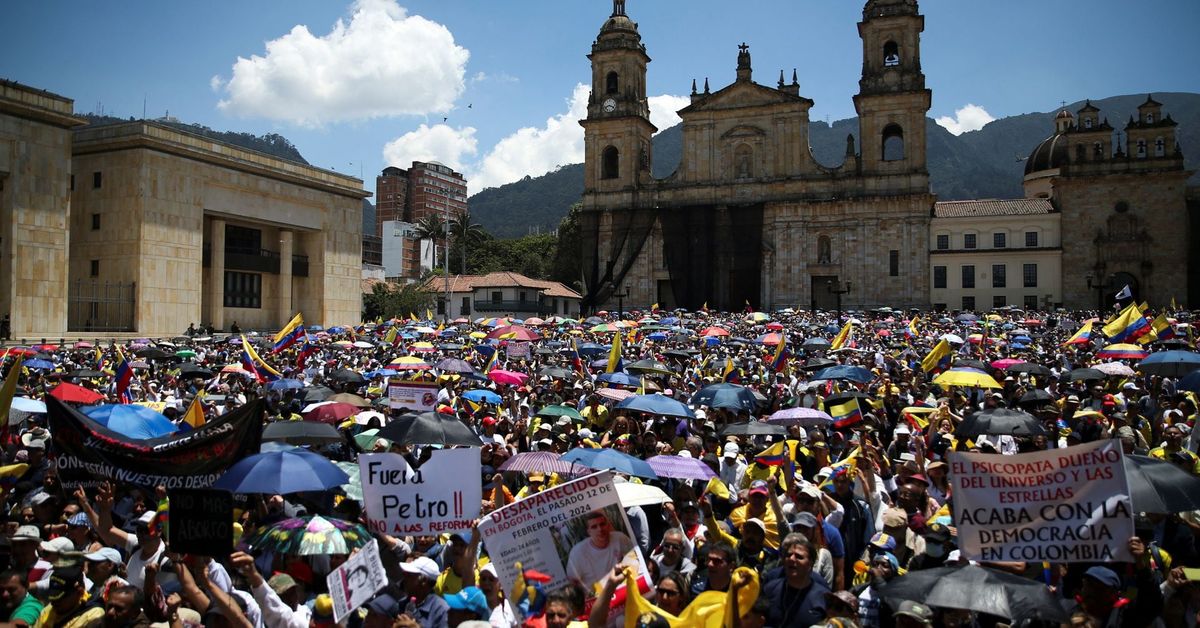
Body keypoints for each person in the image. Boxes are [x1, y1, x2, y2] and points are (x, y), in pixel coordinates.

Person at [761, 534, 829, 627]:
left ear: (810, 564)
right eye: (788, 555)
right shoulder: (769, 589)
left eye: (799, 557)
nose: (792, 559)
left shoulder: (823, 597)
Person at [565, 511, 635, 591]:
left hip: (624, 588)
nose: (600, 529)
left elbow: (635, 558)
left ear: (608, 525)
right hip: (597, 598)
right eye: (594, 527)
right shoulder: (578, 552)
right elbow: (572, 582)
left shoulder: (620, 538)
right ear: (589, 532)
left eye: (602, 524)